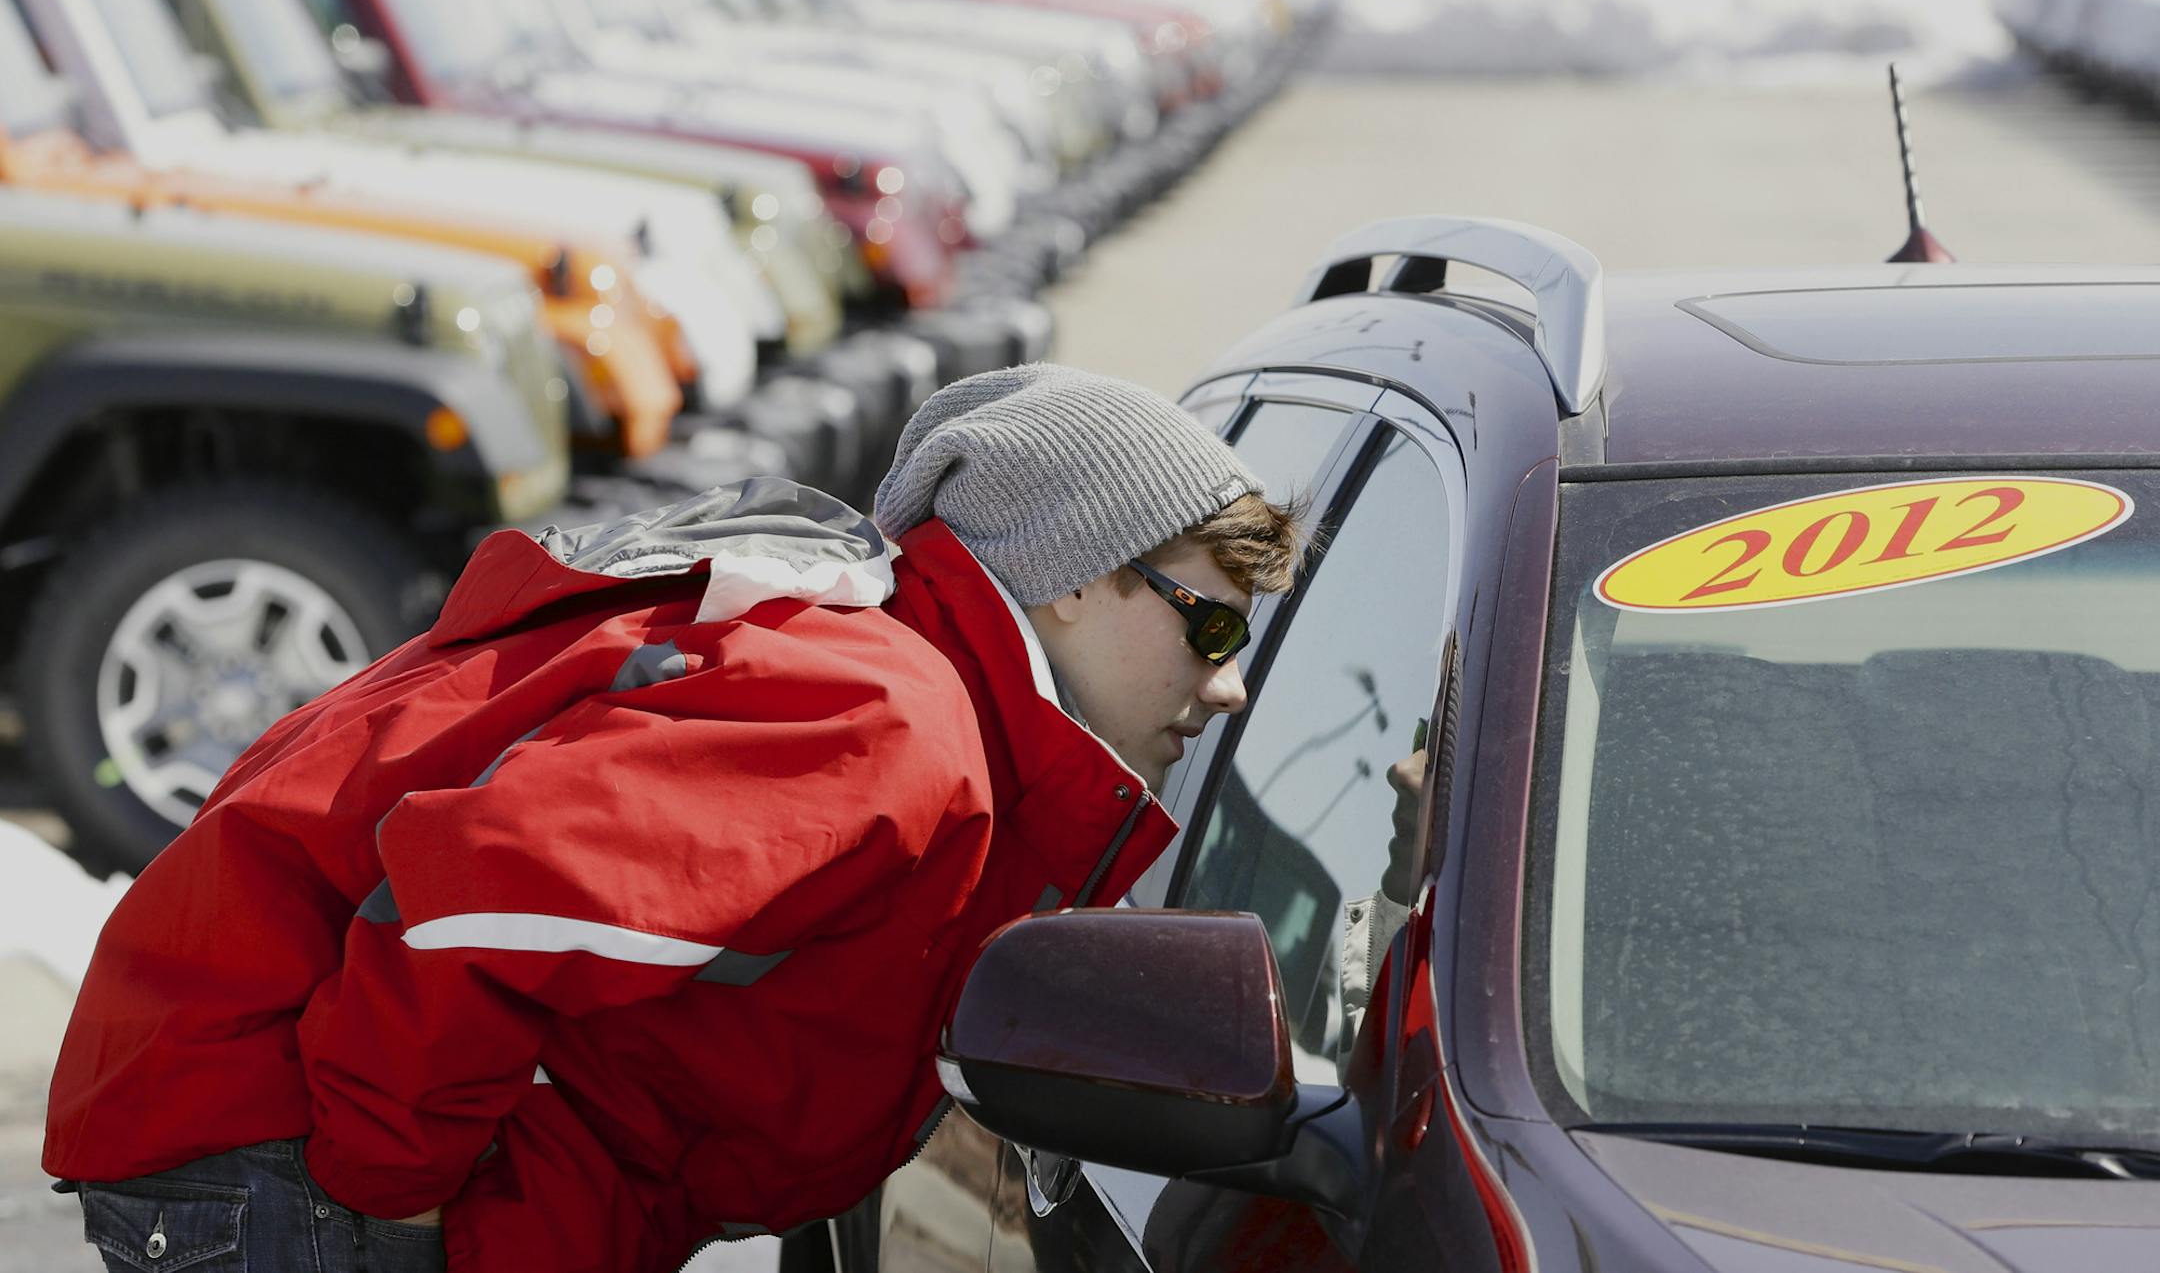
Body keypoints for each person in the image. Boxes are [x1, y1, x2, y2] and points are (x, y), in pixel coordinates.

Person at [44, 364, 1305, 1273]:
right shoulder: (890, 718)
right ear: (1076, 574)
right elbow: (477, 898)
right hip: (293, 1153)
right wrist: (394, 1208)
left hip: (316, 1144)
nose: (1229, 683)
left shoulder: (922, 703)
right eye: (1211, 622)